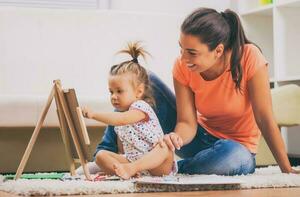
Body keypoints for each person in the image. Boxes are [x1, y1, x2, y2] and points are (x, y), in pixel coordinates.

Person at [93, 8, 300, 176]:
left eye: (192, 53)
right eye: (181, 49)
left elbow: (264, 117)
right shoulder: (183, 66)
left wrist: (286, 168)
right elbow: (187, 122)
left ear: (218, 51)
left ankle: (162, 168)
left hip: (236, 148)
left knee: (235, 158)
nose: (183, 58)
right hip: (196, 138)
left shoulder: (249, 57)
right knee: (138, 81)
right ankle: (104, 156)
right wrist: (175, 136)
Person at [82, 42, 176, 179]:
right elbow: (122, 148)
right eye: (111, 92)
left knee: (165, 147)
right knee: (101, 156)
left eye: (119, 91)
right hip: (133, 160)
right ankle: (126, 171)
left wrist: (94, 114)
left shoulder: (141, 107)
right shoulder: (120, 119)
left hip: (157, 164)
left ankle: (132, 169)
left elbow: (122, 119)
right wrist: (114, 164)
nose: (114, 96)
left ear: (139, 92)